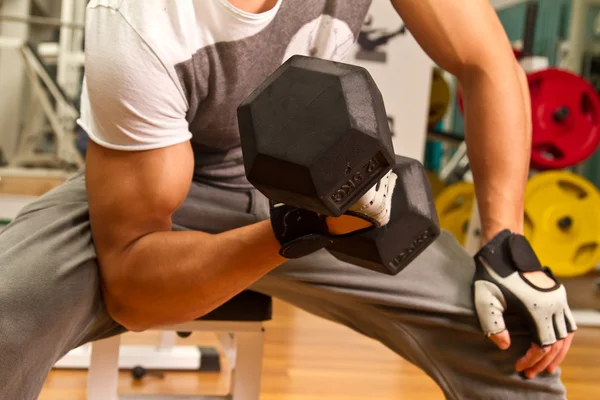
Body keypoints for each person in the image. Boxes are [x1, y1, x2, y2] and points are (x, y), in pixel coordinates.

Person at [0, 1, 577, 399]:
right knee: (8, 315)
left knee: (511, 331)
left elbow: (485, 61)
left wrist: (505, 242)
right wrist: (303, 227)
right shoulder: (142, 20)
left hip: (329, 176)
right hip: (170, 193)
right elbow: (132, 283)